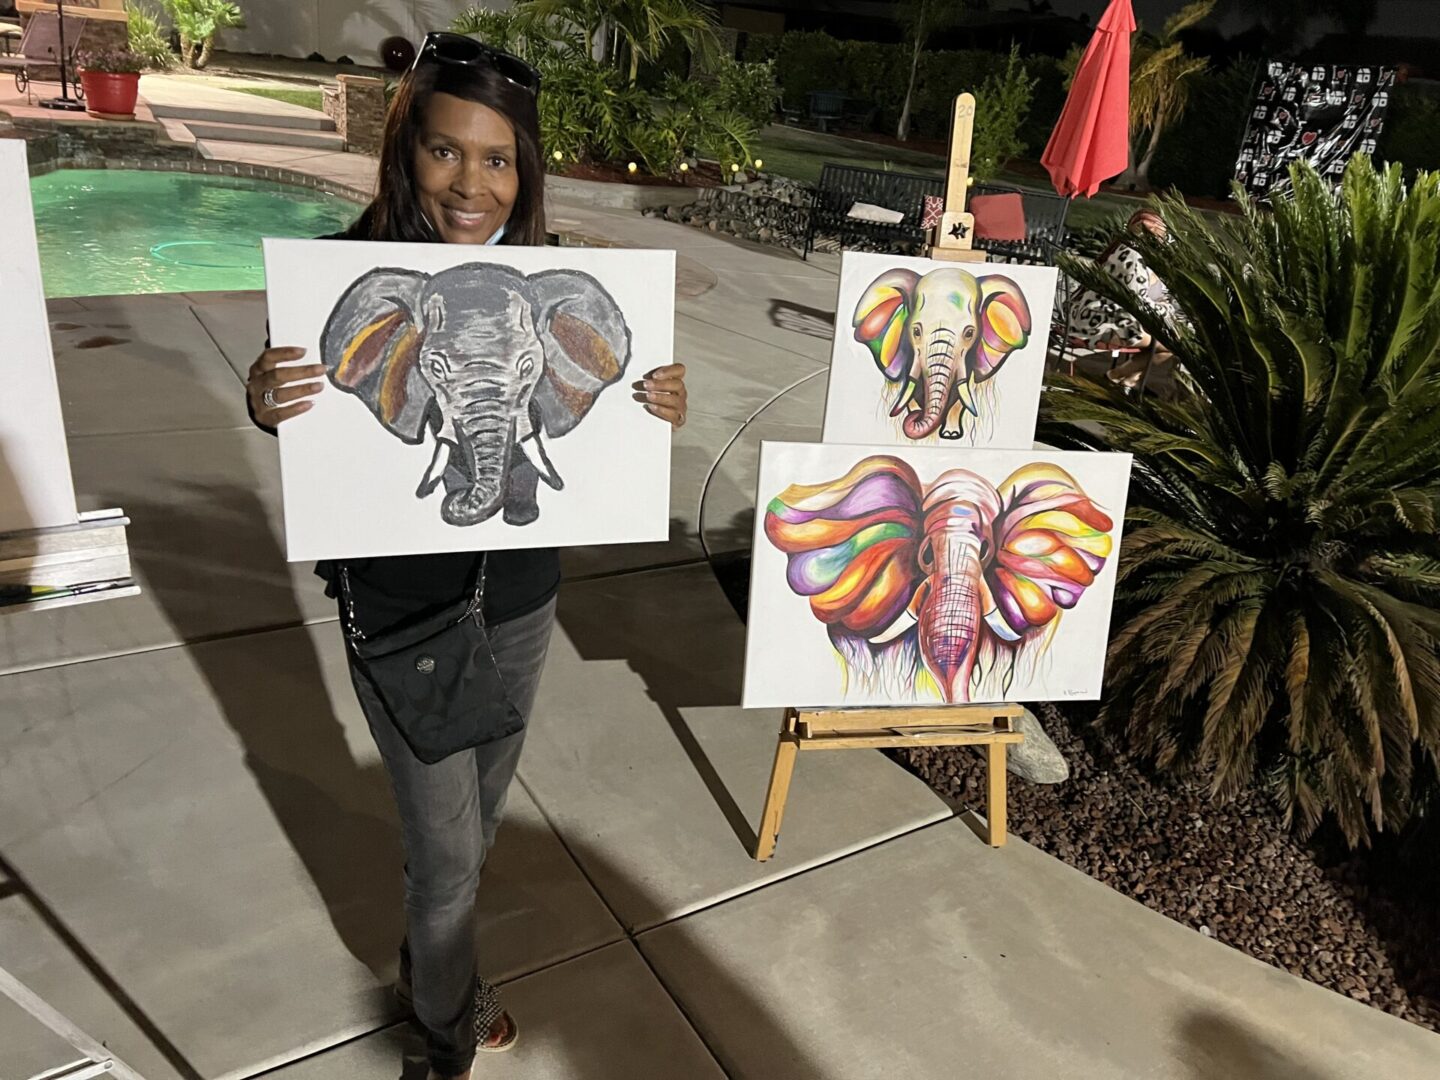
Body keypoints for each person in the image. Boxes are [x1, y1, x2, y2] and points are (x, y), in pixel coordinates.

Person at [243, 33, 688, 1080]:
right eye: (446, 152)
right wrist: (266, 401)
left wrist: (651, 404)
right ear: (406, 152)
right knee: (445, 862)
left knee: (478, 828)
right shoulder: (336, 284)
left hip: (524, 601)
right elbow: (310, 419)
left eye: (498, 159)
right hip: (401, 617)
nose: (470, 184)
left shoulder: (559, 279)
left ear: (525, 170)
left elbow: (602, 408)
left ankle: (430, 969)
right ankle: (441, 1036)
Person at [1065, 208, 1180, 388]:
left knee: (1171, 345)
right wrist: (1167, 310)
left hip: (1116, 318)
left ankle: (1122, 381)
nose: (1164, 241)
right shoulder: (1132, 256)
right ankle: (1118, 379)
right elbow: (1138, 304)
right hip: (1099, 323)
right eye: (1161, 235)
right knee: (1175, 347)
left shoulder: (1139, 253)